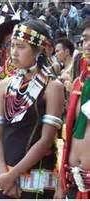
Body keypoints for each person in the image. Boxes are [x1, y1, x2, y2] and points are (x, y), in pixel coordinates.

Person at [0, 20, 64, 199]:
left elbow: (46, 139)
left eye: (21, 47)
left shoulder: (52, 86)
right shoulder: (3, 85)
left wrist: (12, 175)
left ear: (39, 50)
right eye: (12, 46)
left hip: (35, 182)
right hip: (4, 178)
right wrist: (3, 174)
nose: (13, 52)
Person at [55, 18, 90, 199]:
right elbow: (69, 135)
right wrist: (61, 184)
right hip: (73, 183)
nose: (88, 45)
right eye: (85, 40)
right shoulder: (79, 83)